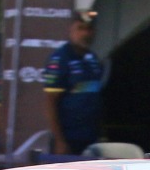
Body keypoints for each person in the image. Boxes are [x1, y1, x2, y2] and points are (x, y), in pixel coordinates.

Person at [43, 10, 107, 155]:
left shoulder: (93, 59)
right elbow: (50, 103)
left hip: (91, 137)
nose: (85, 34)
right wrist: (60, 141)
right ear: (70, 30)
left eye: (89, 29)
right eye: (80, 28)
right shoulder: (60, 59)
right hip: (69, 138)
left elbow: (96, 98)